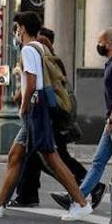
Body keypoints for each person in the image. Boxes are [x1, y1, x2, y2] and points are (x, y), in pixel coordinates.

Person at [0, 12, 92, 221]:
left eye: (17, 27)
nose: (16, 32)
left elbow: (32, 81)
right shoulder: (41, 47)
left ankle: (81, 203)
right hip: (40, 108)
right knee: (15, 155)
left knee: (51, 157)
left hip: (35, 109)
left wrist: (24, 106)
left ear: (23, 28)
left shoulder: (28, 49)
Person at [53, 27, 112, 212]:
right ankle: (76, 197)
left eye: (99, 42)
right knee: (98, 162)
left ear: (107, 43)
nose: (98, 46)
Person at [12, 27, 86, 207]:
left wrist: (22, 105)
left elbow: (35, 85)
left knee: (52, 159)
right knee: (24, 157)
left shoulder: (44, 59)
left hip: (47, 115)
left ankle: (82, 193)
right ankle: (14, 198)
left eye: (42, 42)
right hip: (45, 114)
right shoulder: (51, 60)